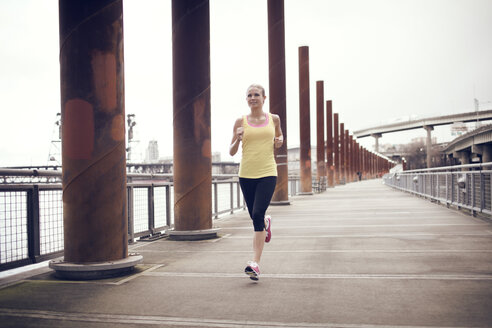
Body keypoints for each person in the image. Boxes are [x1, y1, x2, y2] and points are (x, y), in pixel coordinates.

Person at [229, 84, 284, 280]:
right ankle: (265, 224)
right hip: (246, 173)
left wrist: (279, 141)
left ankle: (255, 263)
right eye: (249, 95)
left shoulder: (273, 119)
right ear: (247, 99)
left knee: (258, 214)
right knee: (255, 216)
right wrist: (237, 138)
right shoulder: (240, 121)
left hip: (268, 171)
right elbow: (232, 151)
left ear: (264, 98)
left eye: (256, 95)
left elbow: (279, 136)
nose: (253, 98)